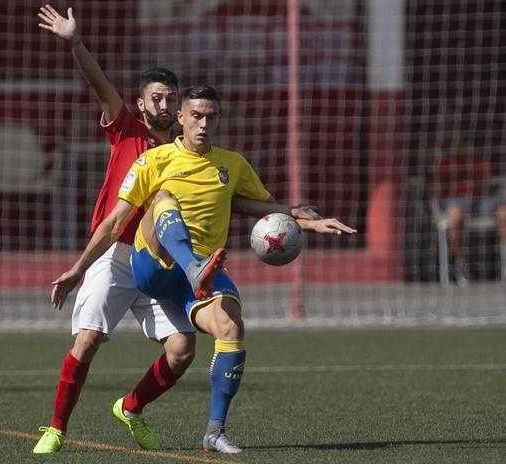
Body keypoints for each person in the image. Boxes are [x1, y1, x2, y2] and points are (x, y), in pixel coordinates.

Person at [51, 85, 357, 453]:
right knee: (162, 199)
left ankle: (213, 431)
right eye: (196, 115)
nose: (203, 123)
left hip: (196, 275)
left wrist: (309, 222)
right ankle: (56, 426)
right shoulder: (154, 160)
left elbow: (256, 206)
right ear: (180, 118)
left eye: (211, 117)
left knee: (223, 330)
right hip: (151, 262)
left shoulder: (232, 164)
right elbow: (115, 223)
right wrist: (78, 269)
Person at [33, 5, 195, 455]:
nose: (164, 104)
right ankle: (56, 428)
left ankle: (131, 407)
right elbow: (98, 84)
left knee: (183, 350)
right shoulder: (125, 129)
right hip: (114, 253)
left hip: (158, 262)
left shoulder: (188, 153)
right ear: (142, 104)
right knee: (86, 341)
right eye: (156, 98)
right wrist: (75, 42)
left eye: (170, 98)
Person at [430, 128, 506, 285]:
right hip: (454, 203)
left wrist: (472, 201)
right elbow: (435, 189)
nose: (459, 146)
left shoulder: (478, 163)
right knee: (456, 214)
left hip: (477, 202)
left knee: (504, 213)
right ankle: (461, 265)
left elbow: (484, 187)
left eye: (462, 143)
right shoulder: (444, 164)